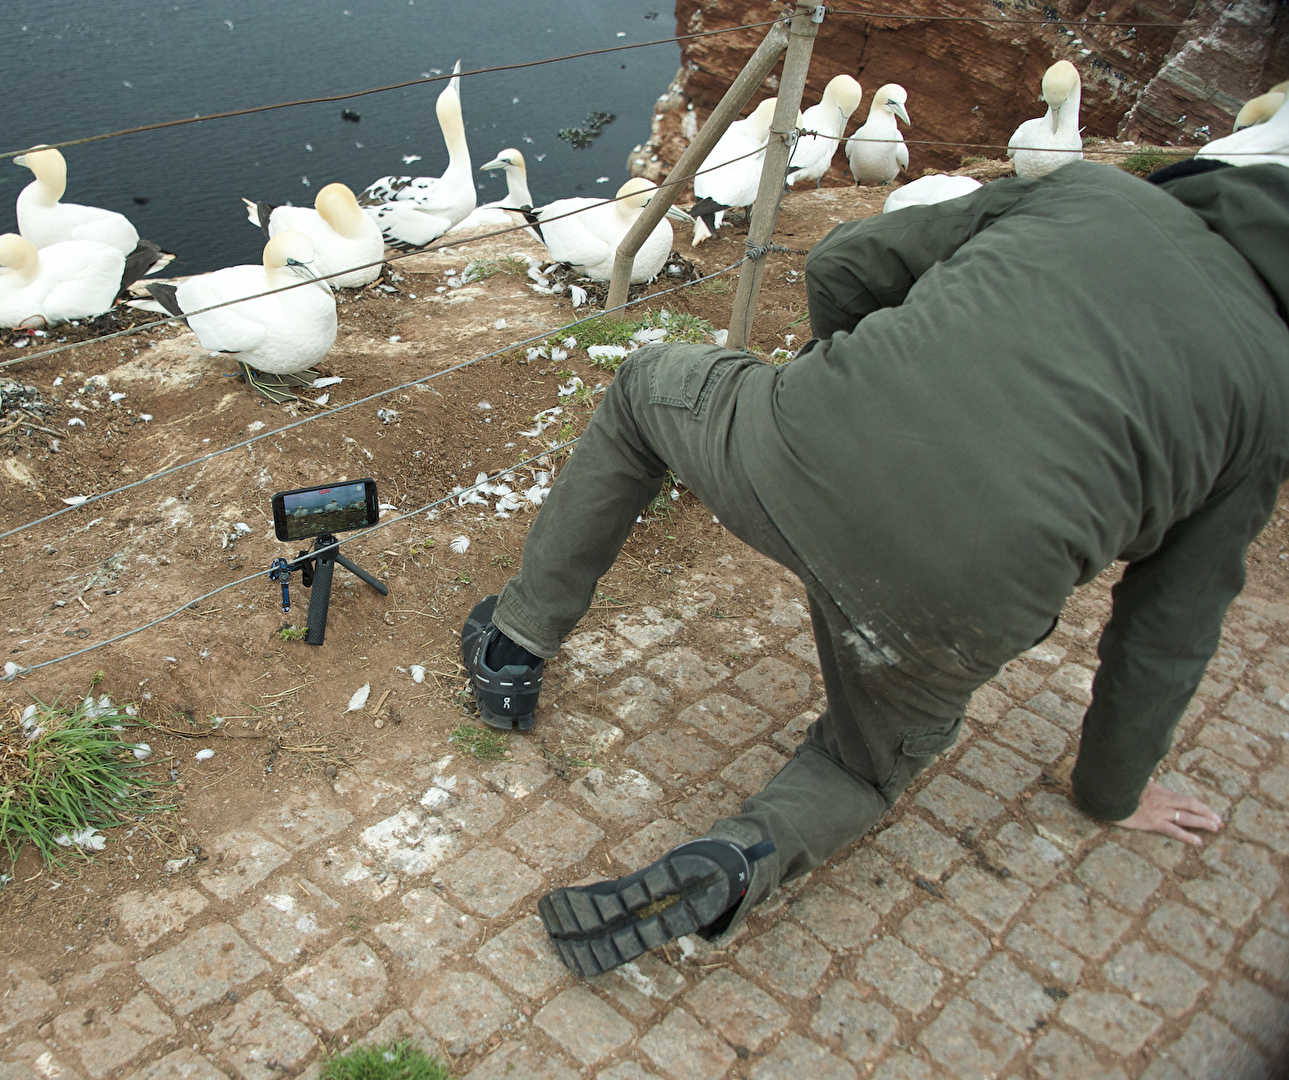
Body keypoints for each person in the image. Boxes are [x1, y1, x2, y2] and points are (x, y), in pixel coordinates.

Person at [459, 158, 1289, 977]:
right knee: (860, 766)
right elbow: (1170, 622)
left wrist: (848, 388)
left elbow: (840, 261)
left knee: (645, 388)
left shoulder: (1093, 191)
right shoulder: (1275, 393)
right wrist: (1112, 791)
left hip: (795, 452)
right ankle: (738, 859)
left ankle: (515, 645)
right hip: (958, 601)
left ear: (1203, 182)